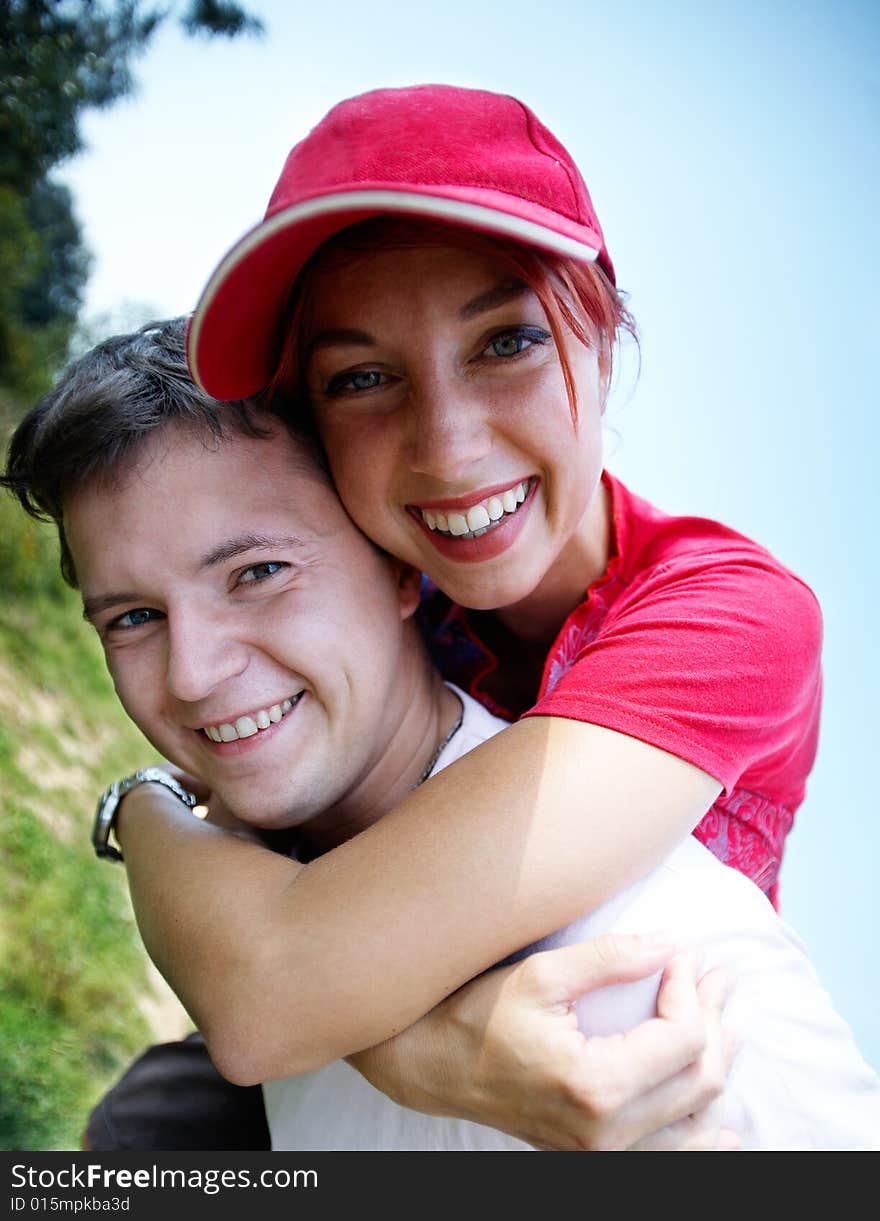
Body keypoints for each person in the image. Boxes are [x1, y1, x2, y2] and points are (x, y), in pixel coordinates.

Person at [5, 321, 879, 1150]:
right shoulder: (264, 884)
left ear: (404, 566)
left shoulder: (666, 984)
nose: (191, 674)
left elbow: (270, 986)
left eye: (258, 573)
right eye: (131, 617)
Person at [140, 85, 823, 1131]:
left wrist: (385, 1033)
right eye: (363, 377)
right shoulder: (357, 580)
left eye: (506, 343)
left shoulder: (727, 617)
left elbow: (272, 978)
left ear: (601, 335)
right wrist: (143, 805)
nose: (449, 446)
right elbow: (241, 868)